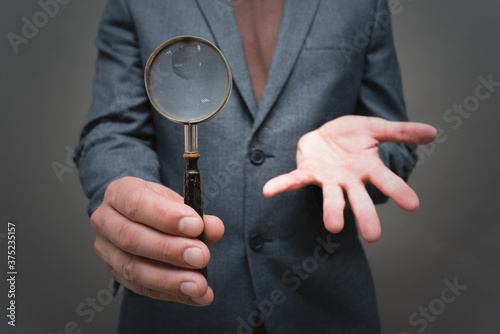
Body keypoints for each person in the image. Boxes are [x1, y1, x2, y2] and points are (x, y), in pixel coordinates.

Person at [74, 0, 437, 333]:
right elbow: (112, 130)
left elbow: (392, 141)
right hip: (179, 305)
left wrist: (357, 167)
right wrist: (130, 201)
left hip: (323, 305)